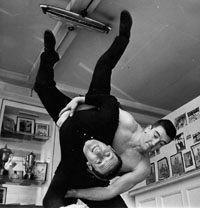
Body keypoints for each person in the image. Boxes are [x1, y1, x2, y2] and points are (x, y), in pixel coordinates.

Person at [34, 10, 176, 208]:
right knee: (98, 68)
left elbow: (110, 190)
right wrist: (78, 101)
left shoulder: (142, 167)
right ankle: (120, 38)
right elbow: (105, 105)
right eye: (156, 136)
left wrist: (76, 193)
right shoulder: (126, 122)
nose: (154, 144)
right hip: (89, 113)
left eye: (161, 144)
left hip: (89, 175)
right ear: (150, 127)